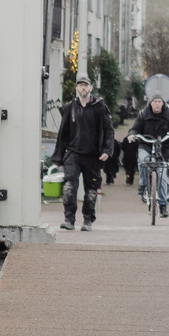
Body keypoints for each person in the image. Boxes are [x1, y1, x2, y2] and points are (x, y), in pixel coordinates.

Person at [52, 71, 113, 232]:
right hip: (73, 154)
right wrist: (58, 158)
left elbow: (109, 130)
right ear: (77, 88)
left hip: (93, 155)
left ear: (91, 88)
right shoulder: (71, 107)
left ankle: (87, 219)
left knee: (91, 190)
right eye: (80, 85)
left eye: (86, 85)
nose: (83, 88)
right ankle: (69, 219)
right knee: (69, 186)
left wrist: (107, 150)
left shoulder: (99, 107)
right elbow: (62, 133)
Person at [129, 94, 169, 218]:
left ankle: (163, 206)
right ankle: (143, 184)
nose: (157, 104)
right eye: (155, 101)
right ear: (150, 103)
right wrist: (132, 135)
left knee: (162, 176)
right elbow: (135, 129)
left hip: (162, 148)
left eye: (159, 101)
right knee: (142, 160)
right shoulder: (143, 114)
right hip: (145, 145)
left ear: (163, 103)